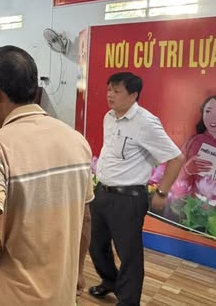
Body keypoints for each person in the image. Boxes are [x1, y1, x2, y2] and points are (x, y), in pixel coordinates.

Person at [0, 45, 94, 305]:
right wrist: (77, 271)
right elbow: (86, 219)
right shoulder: (77, 141)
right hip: (62, 294)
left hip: (10, 296)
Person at [89, 72, 185, 306]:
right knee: (96, 246)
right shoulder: (109, 117)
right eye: (109, 89)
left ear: (133, 95)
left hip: (128, 199)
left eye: (117, 91)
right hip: (102, 192)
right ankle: (110, 281)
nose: (110, 95)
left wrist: (162, 192)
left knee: (129, 255)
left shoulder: (146, 123)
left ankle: (128, 301)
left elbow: (177, 158)